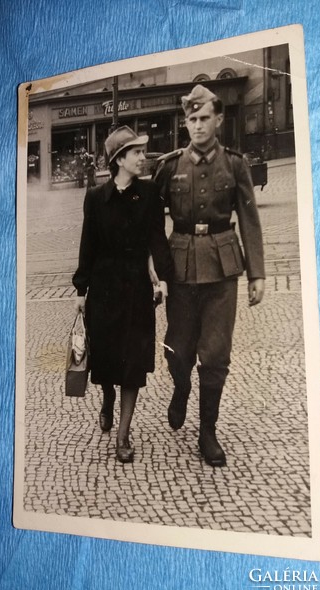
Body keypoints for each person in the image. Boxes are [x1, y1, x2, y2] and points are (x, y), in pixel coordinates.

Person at [154, 84, 265, 467]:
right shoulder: (169, 167)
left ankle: (207, 431)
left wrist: (257, 273)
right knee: (178, 351)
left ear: (218, 120)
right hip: (180, 268)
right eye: (191, 119)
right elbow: (151, 223)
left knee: (215, 355)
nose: (198, 125)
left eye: (204, 118)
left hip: (222, 269)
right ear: (185, 122)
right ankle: (181, 388)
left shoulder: (235, 165)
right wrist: (147, 269)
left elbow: (249, 217)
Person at [73, 126, 172, 463]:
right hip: (103, 292)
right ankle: (106, 399)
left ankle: (123, 434)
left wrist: (163, 280)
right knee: (106, 362)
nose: (143, 158)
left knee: (133, 366)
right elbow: (88, 246)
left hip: (136, 295)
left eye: (143, 152)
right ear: (119, 160)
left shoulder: (150, 193)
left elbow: (158, 240)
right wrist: (81, 289)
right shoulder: (96, 198)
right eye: (136, 153)